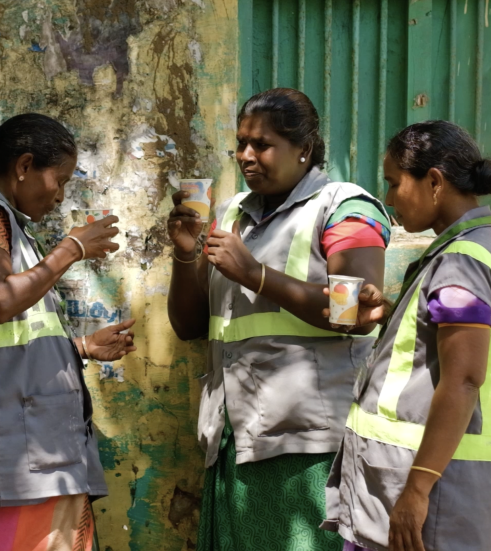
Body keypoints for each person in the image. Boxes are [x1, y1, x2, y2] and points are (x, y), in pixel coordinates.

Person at [167, 88, 391, 550]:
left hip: (309, 443)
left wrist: (255, 274)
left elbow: (357, 313)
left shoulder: (344, 206)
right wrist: (186, 254)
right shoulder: (231, 213)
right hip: (234, 439)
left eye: (262, 145)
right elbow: (190, 327)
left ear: (304, 150)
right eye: (241, 144)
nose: (247, 157)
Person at [0, 113, 136, 550]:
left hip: (33, 456)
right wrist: (72, 249)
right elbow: (1, 300)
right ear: (24, 167)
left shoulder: (10, 226)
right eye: (58, 180)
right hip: (11, 459)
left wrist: (80, 347)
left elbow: (9, 346)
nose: (60, 196)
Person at [322, 121, 491, 551]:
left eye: (393, 182)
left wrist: (418, 489)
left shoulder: (463, 262)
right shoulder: (484, 247)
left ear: (434, 182)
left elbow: (463, 379)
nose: (387, 199)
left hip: (435, 486)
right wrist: (391, 315)